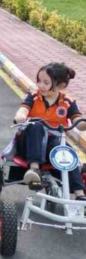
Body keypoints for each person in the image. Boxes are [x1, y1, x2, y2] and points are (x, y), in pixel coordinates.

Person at [12, 62, 86, 200]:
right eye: (39, 81)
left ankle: (80, 194)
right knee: (37, 125)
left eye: (46, 82)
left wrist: (83, 123)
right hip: (28, 144)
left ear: (60, 85)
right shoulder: (33, 96)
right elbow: (23, 109)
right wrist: (21, 116)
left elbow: (78, 122)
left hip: (52, 147)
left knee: (67, 152)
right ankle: (34, 170)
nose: (40, 85)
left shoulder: (67, 102)